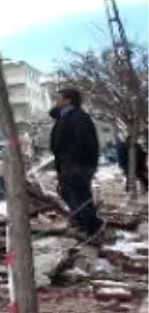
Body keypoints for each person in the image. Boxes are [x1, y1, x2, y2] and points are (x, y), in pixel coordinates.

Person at [50, 88, 104, 237]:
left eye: (59, 98)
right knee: (66, 192)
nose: (57, 101)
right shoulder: (64, 116)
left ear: (68, 100)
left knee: (80, 195)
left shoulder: (79, 118)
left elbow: (84, 143)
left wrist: (73, 163)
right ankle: (83, 223)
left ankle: (92, 228)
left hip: (77, 165)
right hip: (67, 164)